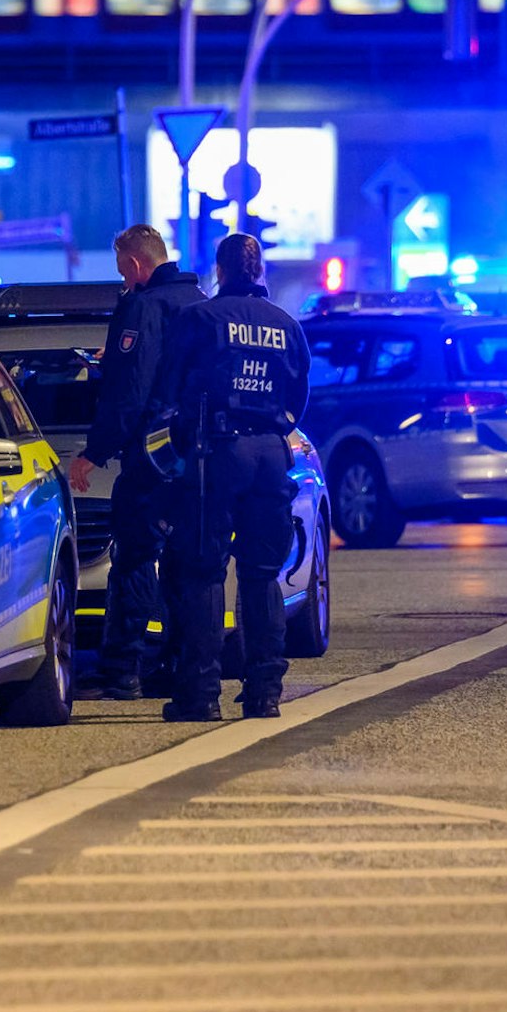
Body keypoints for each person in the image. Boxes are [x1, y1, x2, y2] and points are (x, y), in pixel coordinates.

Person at [155, 232, 310, 721]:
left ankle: (200, 695)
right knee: (262, 575)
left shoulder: (199, 319)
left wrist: (175, 449)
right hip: (270, 452)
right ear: (258, 270)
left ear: (219, 271)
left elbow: (169, 389)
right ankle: (264, 692)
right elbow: (298, 395)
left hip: (217, 453)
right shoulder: (286, 324)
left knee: (203, 571)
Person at [69, 224, 205, 701]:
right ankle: (176, 664)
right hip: (198, 459)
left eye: (122, 270)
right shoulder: (200, 303)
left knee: (133, 559)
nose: (122, 279)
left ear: (133, 265)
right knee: (187, 564)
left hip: (151, 456)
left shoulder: (144, 307)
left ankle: (122, 669)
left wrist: (93, 452)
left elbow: (129, 397)